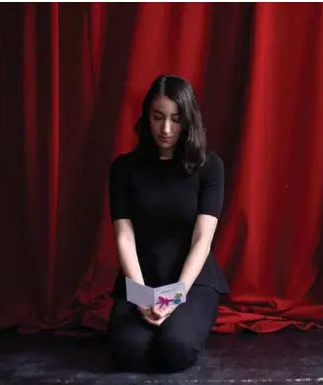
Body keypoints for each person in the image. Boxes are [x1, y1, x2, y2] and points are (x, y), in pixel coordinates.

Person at [107, 74, 229, 373]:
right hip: (141, 277)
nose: (166, 129)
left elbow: (202, 240)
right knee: (127, 353)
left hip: (192, 279)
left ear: (188, 120)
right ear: (147, 117)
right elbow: (124, 237)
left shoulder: (209, 167)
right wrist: (140, 297)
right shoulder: (124, 168)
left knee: (175, 350)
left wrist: (174, 297)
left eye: (175, 119)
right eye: (158, 117)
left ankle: (186, 323)